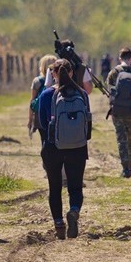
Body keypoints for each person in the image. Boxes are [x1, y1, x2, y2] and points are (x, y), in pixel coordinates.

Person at [37, 58, 91, 239]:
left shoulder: (46, 95)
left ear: (53, 74)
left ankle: (59, 224)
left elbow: (42, 123)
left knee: (54, 187)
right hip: (78, 147)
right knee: (75, 187)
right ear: (71, 72)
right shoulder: (82, 93)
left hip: (53, 147)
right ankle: (74, 211)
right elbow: (87, 122)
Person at [106, 46, 131, 178]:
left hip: (117, 112)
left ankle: (125, 168)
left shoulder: (114, 72)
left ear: (120, 58)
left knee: (121, 139)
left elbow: (110, 93)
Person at [29, 54, 57, 142]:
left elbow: (33, 100)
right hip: (55, 112)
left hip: (39, 115)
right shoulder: (58, 80)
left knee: (44, 139)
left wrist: (30, 119)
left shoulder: (37, 81)